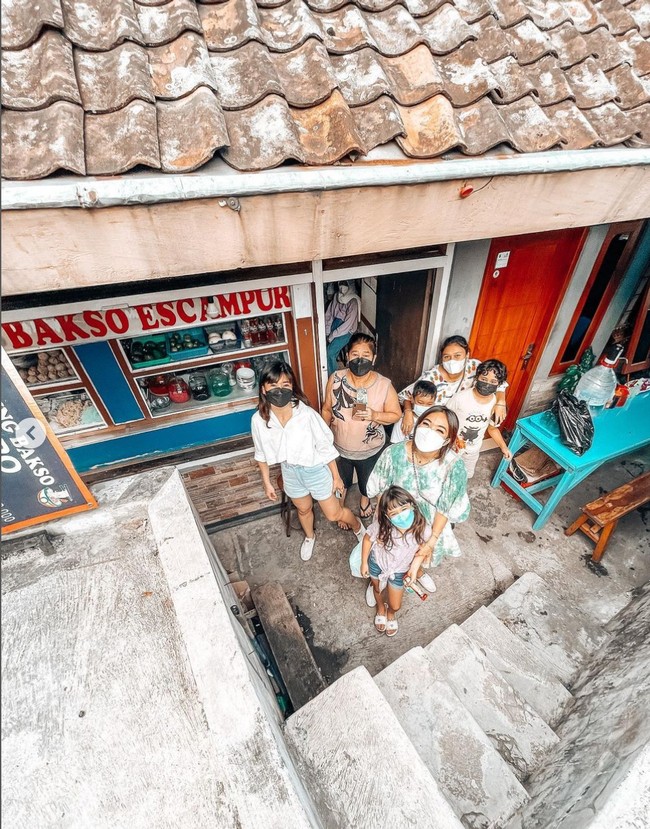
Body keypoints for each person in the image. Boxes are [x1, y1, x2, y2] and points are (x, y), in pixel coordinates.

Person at [252, 360, 366, 561]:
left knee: (334, 514)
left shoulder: (305, 414)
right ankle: (309, 537)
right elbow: (260, 453)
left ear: (292, 387)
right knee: (303, 509)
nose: (280, 390)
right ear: (263, 388)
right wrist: (267, 482)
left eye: (285, 385)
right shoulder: (259, 420)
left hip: (315, 470)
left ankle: (358, 527)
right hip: (290, 471)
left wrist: (336, 477)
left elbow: (324, 446)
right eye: (273, 385)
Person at [366, 405, 469, 603]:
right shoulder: (393, 453)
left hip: (428, 526)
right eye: (426, 424)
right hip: (395, 519)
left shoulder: (453, 466)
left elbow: (445, 507)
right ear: (417, 424)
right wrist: (381, 524)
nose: (429, 432)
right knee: (386, 552)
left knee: (418, 552)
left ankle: (418, 571)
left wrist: (431, 542)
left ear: (447, 439)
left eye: (439, 430)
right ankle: (377, 580)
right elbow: (381, 491)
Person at [321, 332, 402, 524]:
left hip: (370, 450)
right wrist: (323, 436)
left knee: (367, 484)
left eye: (365, 355)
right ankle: (341, 509)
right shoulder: (336, 378)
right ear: (347, 355)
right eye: (355, 354)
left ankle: (365, 500)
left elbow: (396, 414)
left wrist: (375, 415)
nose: (359, 360)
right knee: (341, 482)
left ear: (373, 358)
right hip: (339, 447)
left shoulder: (384, 385)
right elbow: (326, 409)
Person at [399, 335, 509, 437]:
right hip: (434, 423)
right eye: (447, 357)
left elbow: (499, 381)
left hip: (460, 424)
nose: (452, 361)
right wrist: (408, 412)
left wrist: (501, 402)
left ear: (467, 355)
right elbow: (405, 396)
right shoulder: (432, 377)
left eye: (457, 356)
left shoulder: (474, 367)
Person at [359, 486, 432, 637]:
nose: (401, 516)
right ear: (387, 516)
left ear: (412, 505)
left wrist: (414, 568)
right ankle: (381, 608)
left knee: (396, 605)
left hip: (400, 571)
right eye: (394, 513)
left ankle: (391, 613)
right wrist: (364, 563)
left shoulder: (423, 529)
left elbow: (424, 549)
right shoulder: (382, 526)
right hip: (377, 563)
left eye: (404, 509)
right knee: (377, 588)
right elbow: (367, 539)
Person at [448, 359, 513, 478]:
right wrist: (453, 438)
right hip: (451, 448)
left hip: (472, 452)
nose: (487, 384)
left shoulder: (496, 406)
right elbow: (445, 418)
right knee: (446, 474)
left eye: (493, 381)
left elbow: (492, 429)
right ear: (477, 377)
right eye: (484, 379)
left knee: (464, 476)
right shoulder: (460, 398)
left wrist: (504, 447)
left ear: (499, 384)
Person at [324, 281, 361, 374]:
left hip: (346, 331)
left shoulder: (353, 301)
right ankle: (332, 372)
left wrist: (333, 335)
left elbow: (348, 324)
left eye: (344, 285)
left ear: (349, 286)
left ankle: (333, 376)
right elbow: (329, 314)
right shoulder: (336, 296)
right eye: (340, 284)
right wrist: (327, 330)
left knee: (329, 353)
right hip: (335, 326)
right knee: (333, 353)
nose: (342, 288)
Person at [390, 380, 437, 444]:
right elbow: (395, 444)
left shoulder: (435, 421)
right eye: (420, 403)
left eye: (429, 404)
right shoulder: (403, 421)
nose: (424, 407)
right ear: (412, 399)